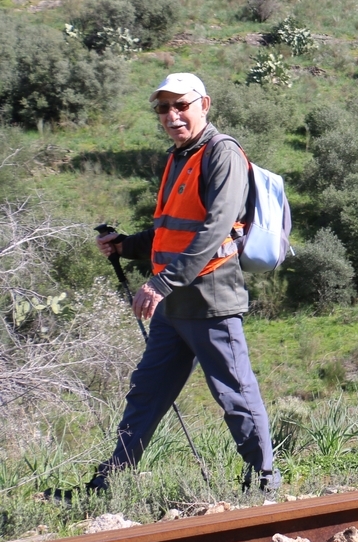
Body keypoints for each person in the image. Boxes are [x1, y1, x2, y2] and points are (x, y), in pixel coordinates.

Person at [90, 73, 278, 494]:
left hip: (210, 299)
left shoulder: (221, 153)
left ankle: (264, 482)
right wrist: (125, 246)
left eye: (181, 106)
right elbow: (170, 232)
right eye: (163, 108)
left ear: (204, 105)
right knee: (147, 393)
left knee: (234, 393)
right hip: (173, 306)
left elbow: (214, 230)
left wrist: (160, 283)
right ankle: (112, 481)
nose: (172, 115)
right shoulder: (180, 156)